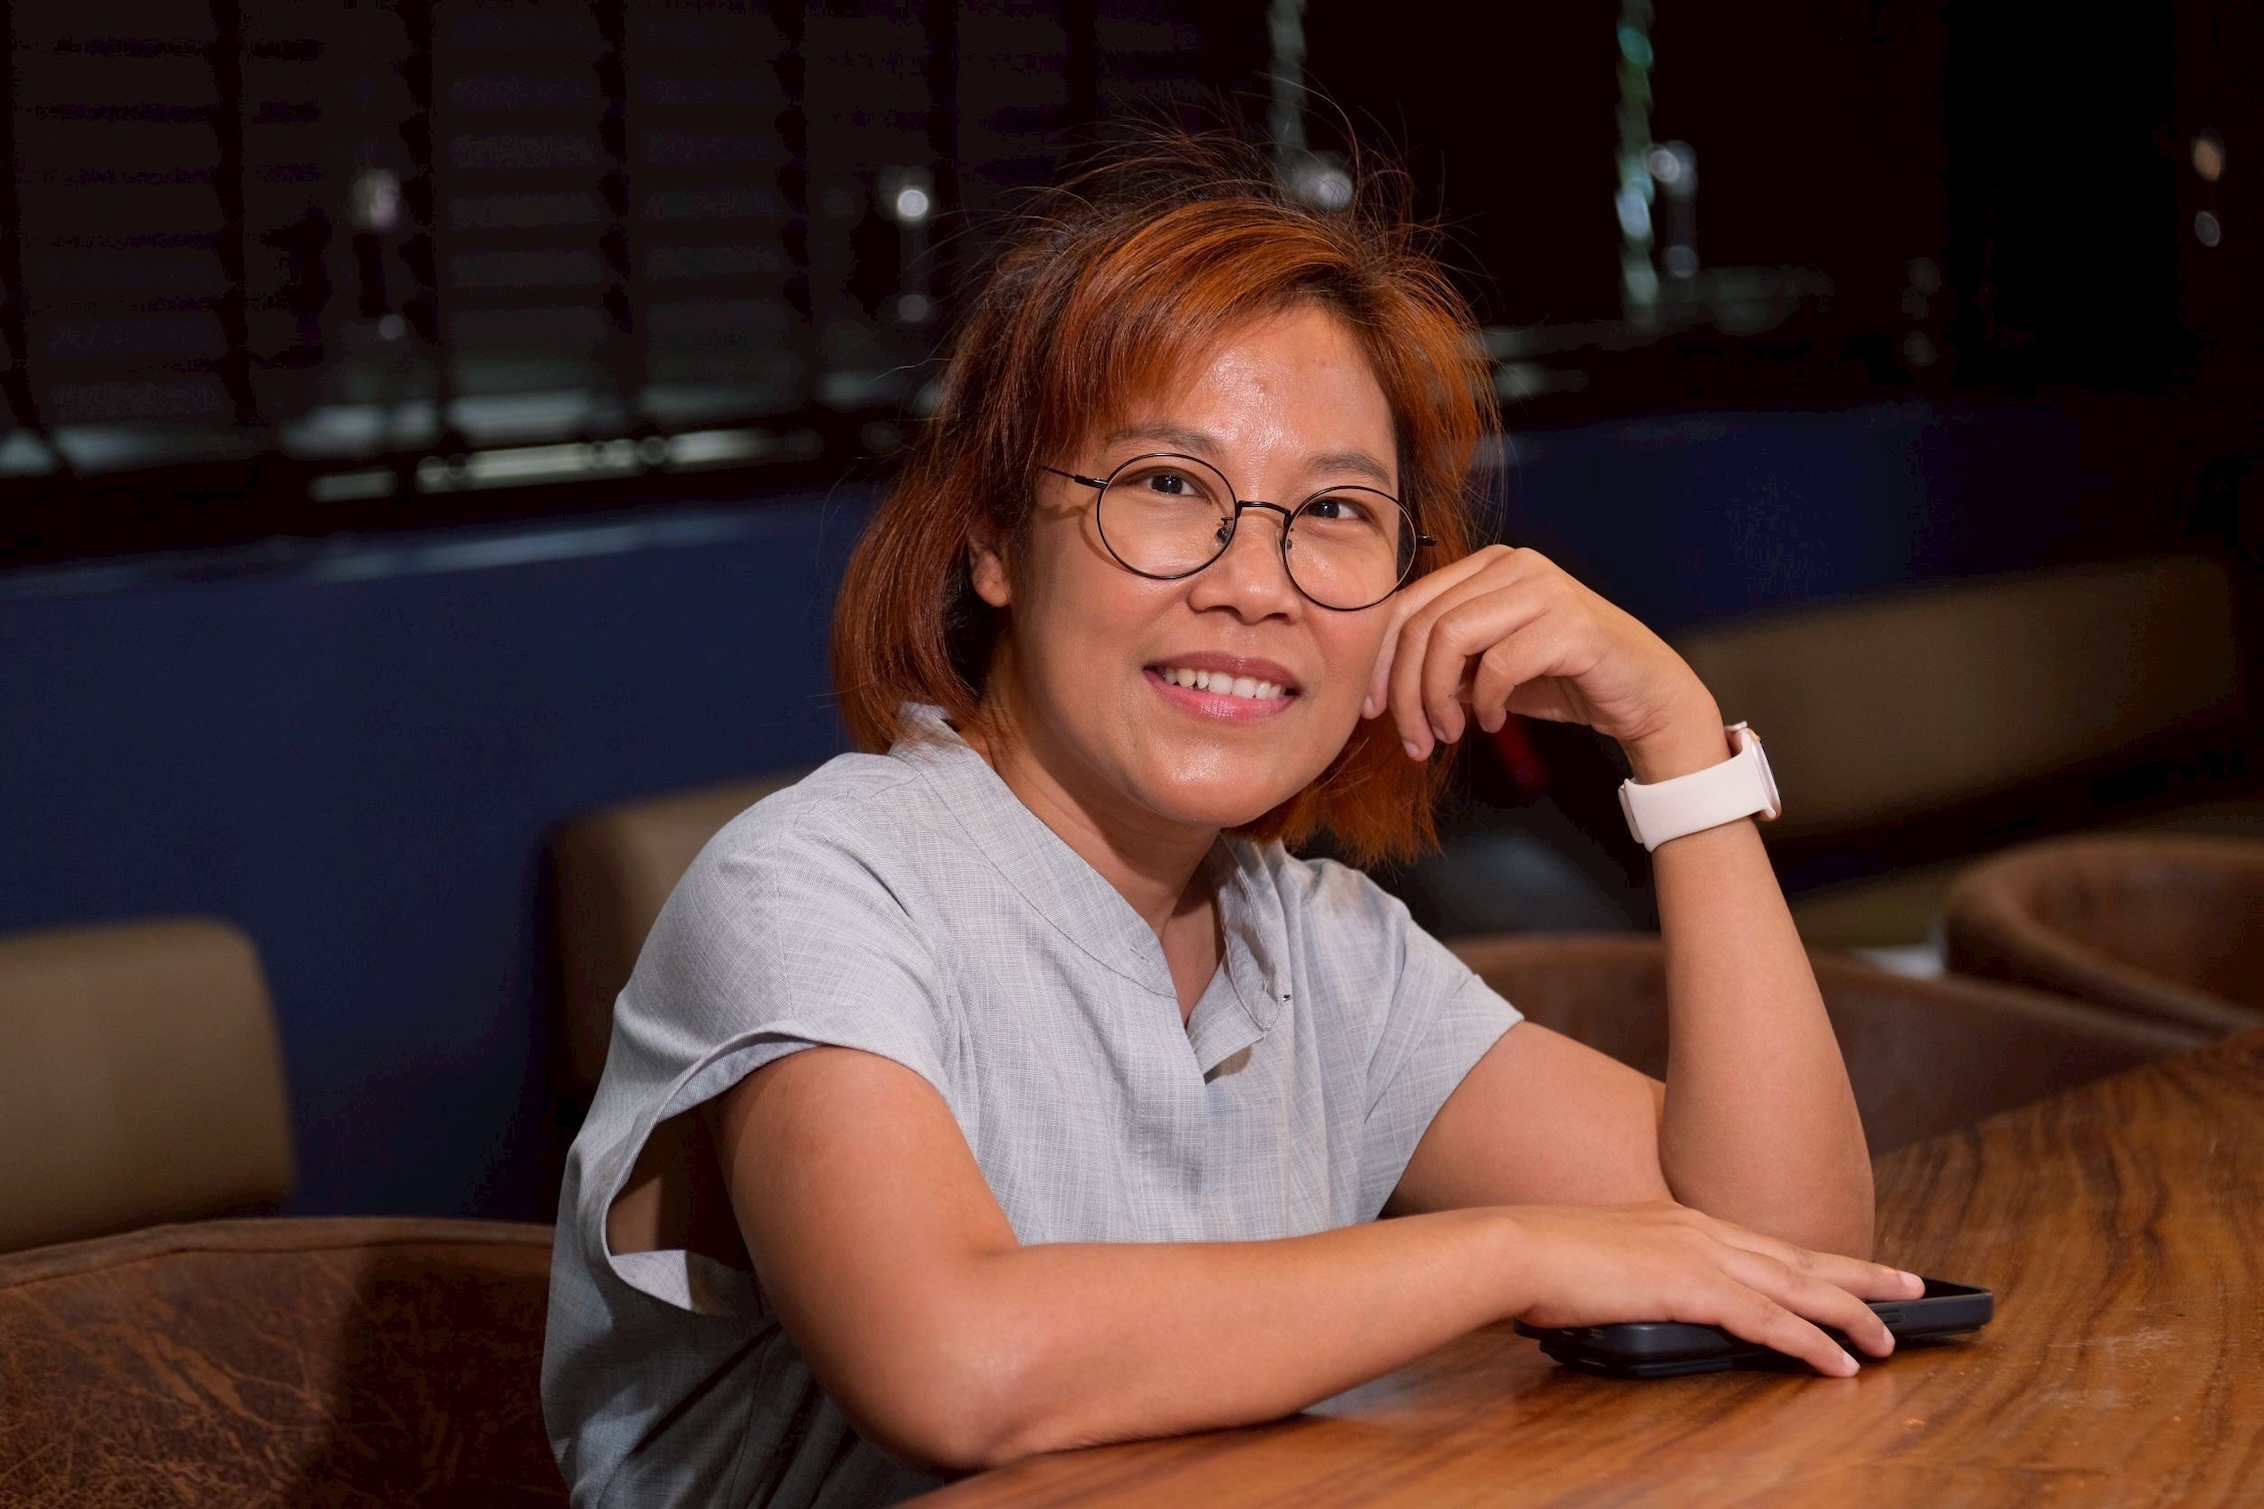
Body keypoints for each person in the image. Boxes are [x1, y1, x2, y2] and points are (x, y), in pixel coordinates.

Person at [543, 137, 1923, 1509]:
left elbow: (1787, 1252)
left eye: (1333, 510)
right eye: (1166, 484)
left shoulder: (1318, 942)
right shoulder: (815, 885)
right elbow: (957, 1366)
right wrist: (1518, 1251)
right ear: (992, 535)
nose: (1255, 584)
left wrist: (1676, 742)